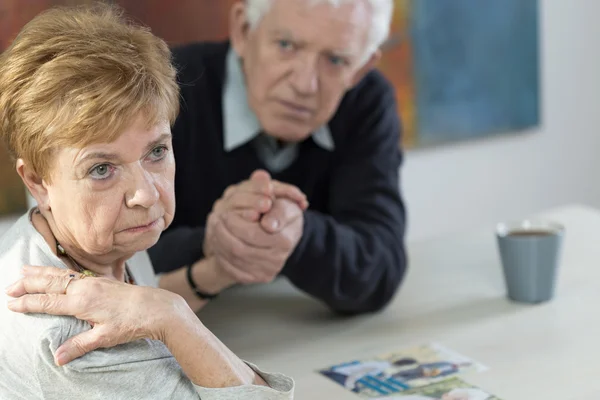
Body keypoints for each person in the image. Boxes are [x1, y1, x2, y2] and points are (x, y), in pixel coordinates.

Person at [0, 5, 293, 399]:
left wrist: (216, 271)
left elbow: (133, 303)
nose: (146, 194)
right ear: (37, 181)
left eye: (156, 151)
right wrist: (171, 315)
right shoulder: (73, 345)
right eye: (101, 169)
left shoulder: (87, 238)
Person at [151, 0, 408, 315]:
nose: (304, 84)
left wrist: (296, 231)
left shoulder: (366, 101)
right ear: (244, 31)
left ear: (362, 69)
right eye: (286, 45)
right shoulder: (163, 88)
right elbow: (103, 259)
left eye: (336, 60)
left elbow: (381, 268)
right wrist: (213, 241)